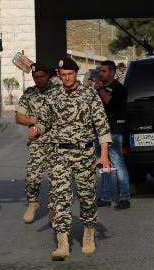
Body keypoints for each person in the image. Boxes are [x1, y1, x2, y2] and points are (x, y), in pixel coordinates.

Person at [30, 56, 111, 260]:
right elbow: (45, 121)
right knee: (60, 198)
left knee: (87, 198)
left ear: (76, 74)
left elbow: (102, 126)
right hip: (59, 154)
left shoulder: (89, 95)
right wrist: (37, 129)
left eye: (70, 74)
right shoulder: (53, 96)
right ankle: (63, 243)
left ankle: (89, 232)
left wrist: (103, 155)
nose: (66, 78)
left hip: (84, 154)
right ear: (59, 75)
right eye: (63, 74)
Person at [14, 62, 56, 224]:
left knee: (56, 178)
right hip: (37, 143)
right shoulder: (29, 93)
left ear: (48, 76)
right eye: (35, 77)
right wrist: (33, 120)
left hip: (55, 142)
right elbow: (19, 117)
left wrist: (42, 124)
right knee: (32, 177)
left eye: (42, 76)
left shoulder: (58, 92)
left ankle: (54, 208)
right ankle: (33, 203)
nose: (38, 80)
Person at [95, 60, 131, 210]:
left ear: (112, 72)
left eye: (104, 71)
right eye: (100, 71)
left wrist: (100, 89)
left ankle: (124, 197)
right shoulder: (101, 88)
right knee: (104, 164)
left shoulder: (118, 88)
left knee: (118, 164)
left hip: (114, 131)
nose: (101, 73)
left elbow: (110, 102)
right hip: (100, 131)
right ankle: (105, 196)